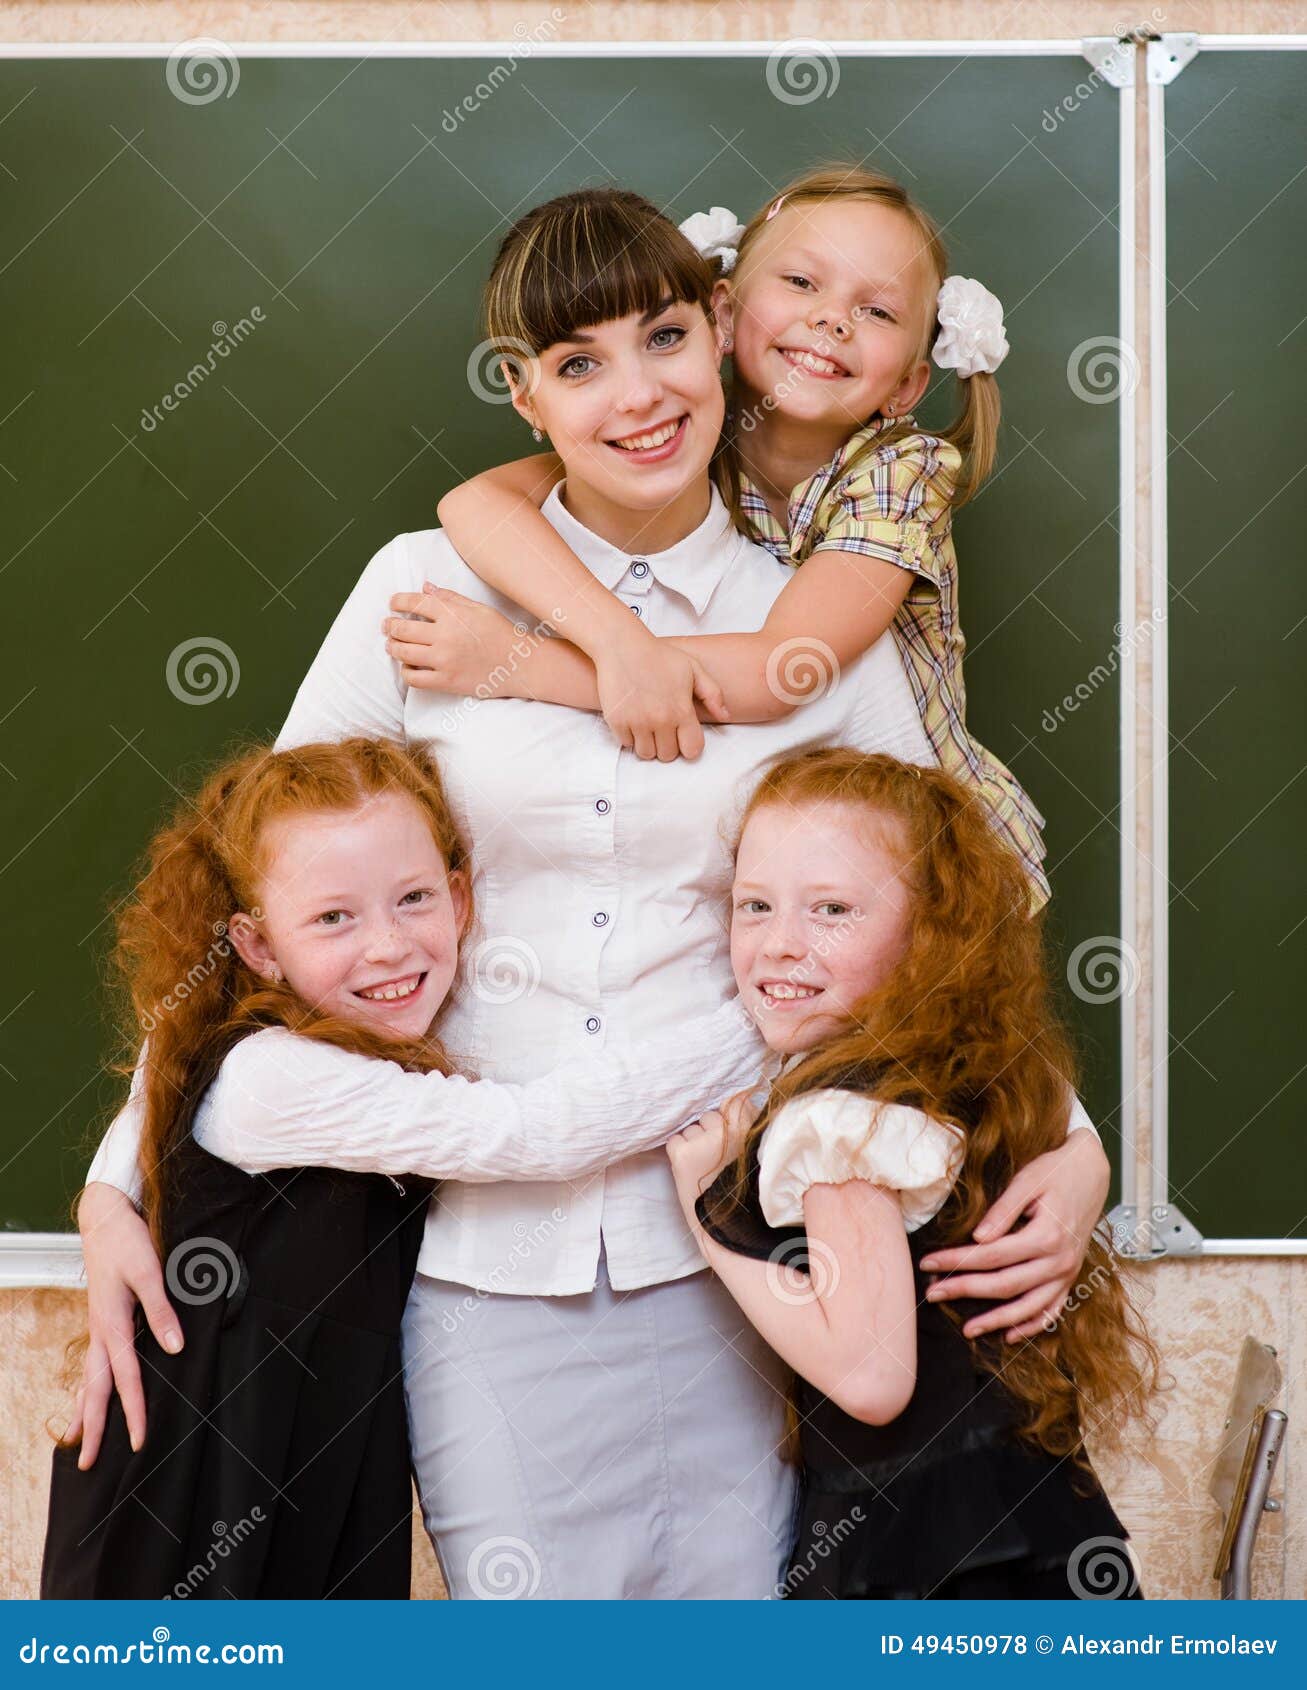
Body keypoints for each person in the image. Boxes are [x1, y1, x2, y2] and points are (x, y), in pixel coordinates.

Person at [76, 186, 1111, 1600]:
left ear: (721, 338)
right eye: (577, 363)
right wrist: (120, 1177)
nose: (637, 395)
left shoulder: (810, 628)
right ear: (525, 394)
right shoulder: (423, 586)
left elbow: (948, 924)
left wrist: (1074, 1144)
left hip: (743, 1254)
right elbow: (251, 893)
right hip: (479, 1263)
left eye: (664, 340)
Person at [44, 736, 767, 1599]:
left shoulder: (350, 1046)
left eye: (413, 899)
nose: (387, 946)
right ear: (257, 946)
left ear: (459, 901)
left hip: (313, 1455)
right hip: (195, 1479)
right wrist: (773, 1016)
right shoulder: (272, 1076)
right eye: (333, 919)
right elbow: (536, 1132)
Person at [424, 164, 1051, 907]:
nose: (833, 321)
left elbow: (784, 670)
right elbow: (475, 503)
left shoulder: (900, 475)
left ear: (908, 387)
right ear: (723, 314)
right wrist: (615, 640)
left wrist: (520, 664)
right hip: (801, 861)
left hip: (936, 857)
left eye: (877, 311)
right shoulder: (685, 439)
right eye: (801, 282)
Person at [666, 748, 1160, 1600]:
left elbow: (870, 1380)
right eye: (754, 906)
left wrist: (709, 1214)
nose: (779, 944)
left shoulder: (837, 1122)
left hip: (922, 1557)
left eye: (832, 910)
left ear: (926, 931)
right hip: (1030, 1520)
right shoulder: (978, 1072)